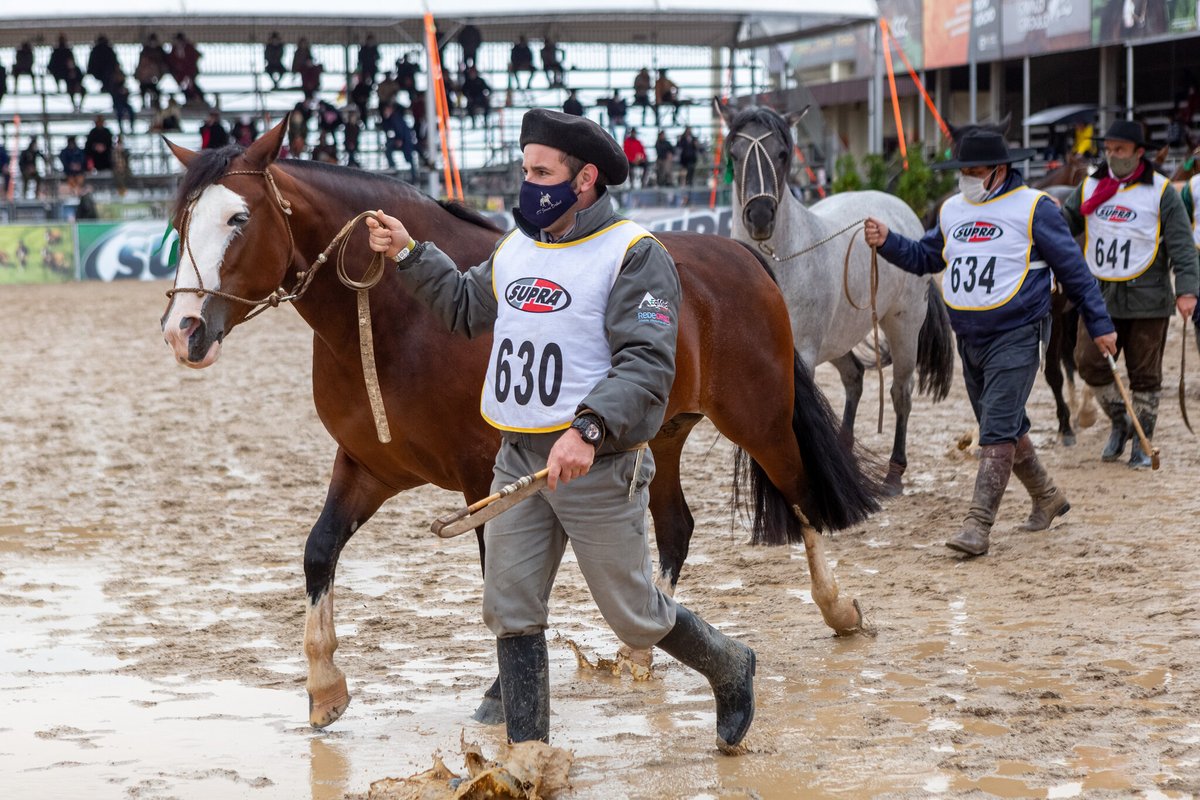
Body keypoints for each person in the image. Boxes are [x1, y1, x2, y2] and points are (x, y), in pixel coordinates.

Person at [364, 107, 756, 750]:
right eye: (525, 170)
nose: (529, 183)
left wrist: (591, 429)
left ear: (585, 179)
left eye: (541, 171)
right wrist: (410, 253)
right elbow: (465, 309)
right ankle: (528, 757)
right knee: (510, 609)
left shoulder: (635, 253)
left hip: (597, 462)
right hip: (517, 459)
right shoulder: (515, 247)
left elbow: (648, 364)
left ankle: (731, 666)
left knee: (636, 618)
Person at [863, 130, 1118, 557]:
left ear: (1000, 171)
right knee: (1006, 427)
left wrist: (1100, 323)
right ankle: (1047, 496)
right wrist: (888, 241)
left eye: (974, 172)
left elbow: (1074, 271)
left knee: (996, 429)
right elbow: (926, 258)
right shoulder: (952, 211)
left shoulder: (1034, 208)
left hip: (1019, 331)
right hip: (970, 337)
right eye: (961, 171)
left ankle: (977, 526)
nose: (966, 178)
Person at [1061, 119, 1199, 468]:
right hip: (1099, 295)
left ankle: (1142, 438)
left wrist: (1187, 290)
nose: (1112, 156)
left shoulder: (1162, 191)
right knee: (1089, 363)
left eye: (1119, 150)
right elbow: (1063, 223)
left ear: (1139, 153)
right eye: (1108, 150)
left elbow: (1182, 244)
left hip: (1148, 296)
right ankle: (1122, 421)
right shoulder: (1091, 186)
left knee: (1145, 374)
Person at [380, 102, 418, 183]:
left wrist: (400, 140)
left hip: (404, 141)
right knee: (408, 157)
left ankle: (412, 175)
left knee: (408, 157)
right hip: (403, 140)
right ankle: (394, 167)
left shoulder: (395, 118)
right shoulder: (391, 119)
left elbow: (399, 130)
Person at [135, 34, 168, 108]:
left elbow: (162, 66)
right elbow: (140, 68)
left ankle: (156, 104)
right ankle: (144, 104)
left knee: (156, 92)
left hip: (155, 78)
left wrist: (157, 76)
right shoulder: (145, 52)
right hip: (145, 79)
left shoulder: (159, 52)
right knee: (143, 89)